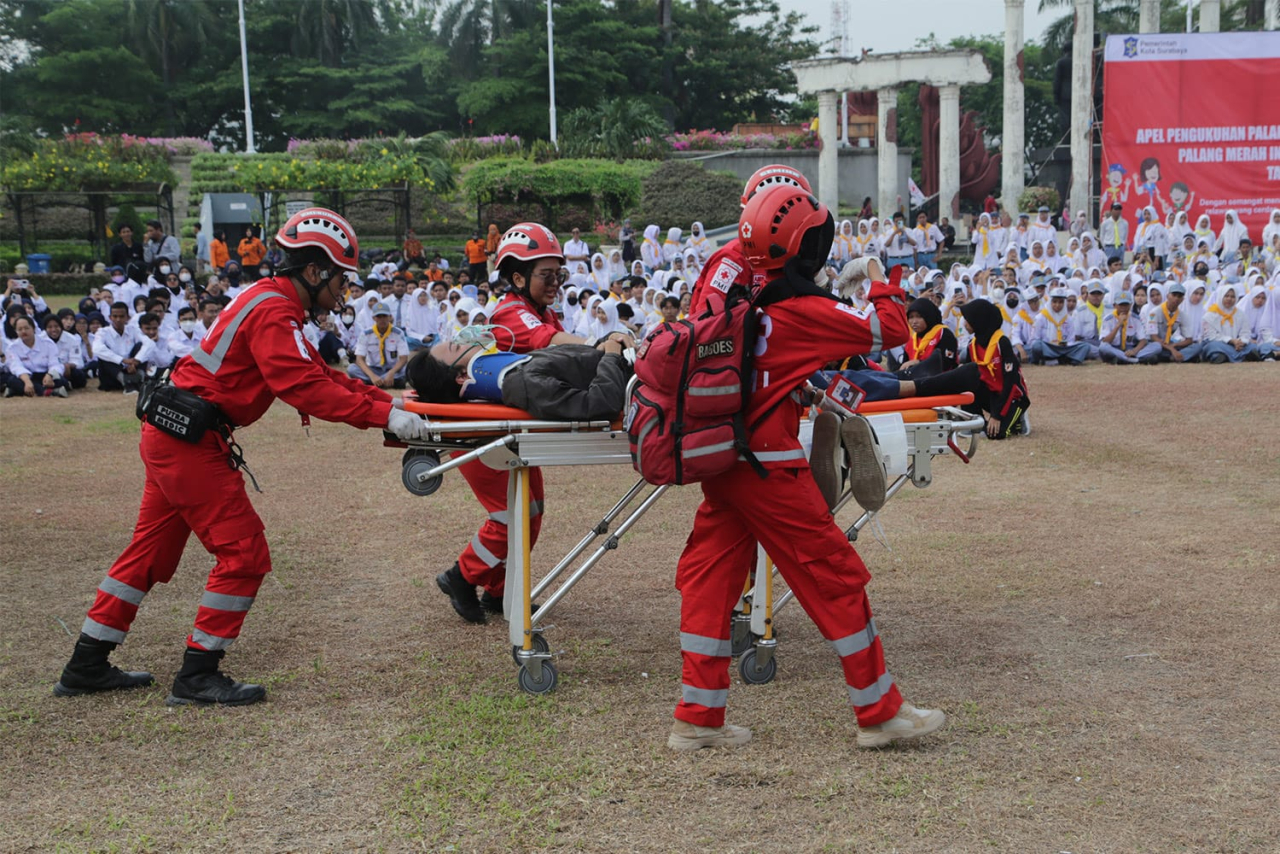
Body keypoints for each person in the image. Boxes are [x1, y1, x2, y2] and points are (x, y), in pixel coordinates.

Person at [52, 207, 428, 707]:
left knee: (147, 554)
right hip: (189, 441)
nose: (344, 291)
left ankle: (86, 664)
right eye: (340, 279)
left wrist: (388, 403)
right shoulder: (275, 310)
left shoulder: (268, 298)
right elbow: (303, 387)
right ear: (314, 272)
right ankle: (197, 675)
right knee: (244, 554)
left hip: (176, 433)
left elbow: (318, 373)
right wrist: (382, 416)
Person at [666, 183, 945, 753]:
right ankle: (879, 710)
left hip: (725, 459)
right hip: (769, 469)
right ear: (804, 246)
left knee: (711, 578)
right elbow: (891, 330)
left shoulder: (734, 295)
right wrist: (878, 272)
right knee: (835, 575)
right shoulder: (801, 311)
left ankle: (697, 716)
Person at [434, 222, 595, 626]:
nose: (555, 283)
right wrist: (600, 345)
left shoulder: (541, 311)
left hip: (507, 433)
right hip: (478, 433)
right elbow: (548, 343)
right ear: (518, 277)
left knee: (531, 512)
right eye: (547, 275)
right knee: (511, 516)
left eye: (559, 275)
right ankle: (460, 576)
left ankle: (498, 590)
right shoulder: (512, 311)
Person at [406, 335, 631, 419]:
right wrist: (611, 355)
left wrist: (608, 340)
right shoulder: (524, 383)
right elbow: (602, 403)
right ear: (462, 375)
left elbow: (578, 362)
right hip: (642, 382)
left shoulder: (518, 367)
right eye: (458, 346)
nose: (469, 342)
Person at [2, 315, 69, 398]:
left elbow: (55, 363)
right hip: (26, 377)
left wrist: (50, 375)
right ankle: (48, 392)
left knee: (62, 381)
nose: (23, 331)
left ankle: (18, 391)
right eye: (20, 329)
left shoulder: (48, 343)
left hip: (45, 375)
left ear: (33, 328)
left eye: (26, 328)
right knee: (12, 380)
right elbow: (16, 367)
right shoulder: (12, 348)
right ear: (16, 331)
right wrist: (27, 382)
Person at [348, 302, 409, 388]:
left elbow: (403, 358)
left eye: (384, 316)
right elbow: (359, 359)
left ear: (390, 317)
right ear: (373, 318)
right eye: (379, 317)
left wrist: (391, 373)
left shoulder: (398, 333)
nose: (382, 319)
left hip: (392, 369)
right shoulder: (366, 334)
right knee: (352, 369)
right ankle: (385, 382)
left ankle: (373, 383)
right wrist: (372, 376)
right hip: (373, 369)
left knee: (408, 369)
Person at [93, 302, 145, 393]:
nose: (118, 319)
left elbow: (149, 344)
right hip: (112, 376)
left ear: (127, 317)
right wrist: (122, 360)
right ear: (110, 317)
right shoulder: (102, 332)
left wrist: (136, 361)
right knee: (104, 353)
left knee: (141, 346)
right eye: (115, 316)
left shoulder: (133, 330)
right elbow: (96, 348)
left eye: (121, 316)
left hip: (131, 369)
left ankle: (139, 379)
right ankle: (126, 382)